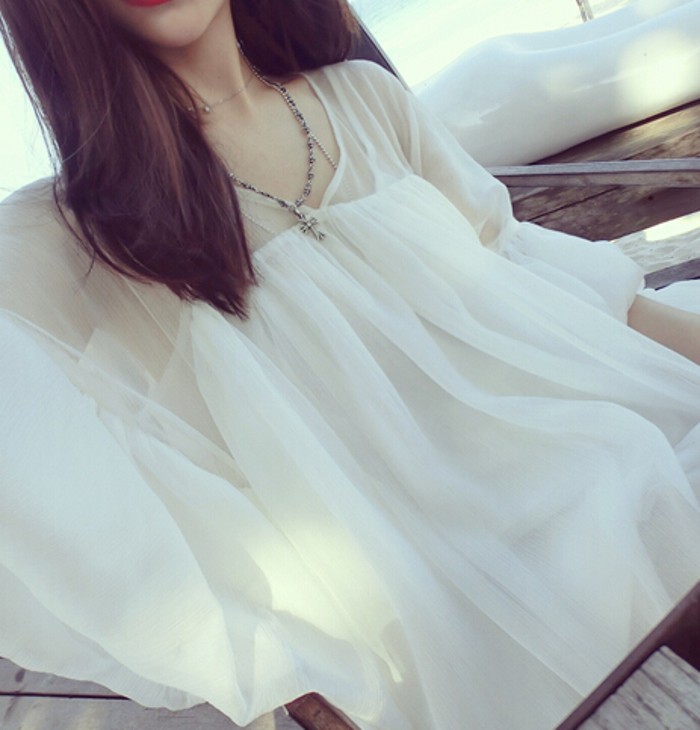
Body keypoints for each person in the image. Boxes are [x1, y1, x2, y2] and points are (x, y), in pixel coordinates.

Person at [0, 1, 699, 728]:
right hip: (451, 636)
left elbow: (544, 285)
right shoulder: (72, 239)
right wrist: (273, 663)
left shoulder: (365, 98)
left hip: (618, 473)